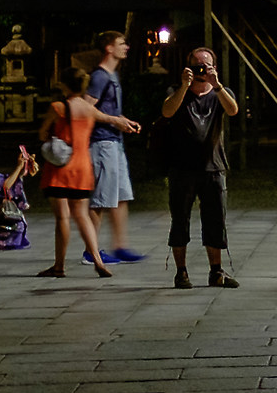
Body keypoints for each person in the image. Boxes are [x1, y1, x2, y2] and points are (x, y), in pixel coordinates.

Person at [159, 47, 242, 289]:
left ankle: (216, 271)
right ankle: (181, 272)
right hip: (182, 168)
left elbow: (233, 110)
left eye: (206, 64)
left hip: (213, 167)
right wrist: (184, 86)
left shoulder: (219, 93)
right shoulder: (176, 92)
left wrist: (216, 85)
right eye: (197, 65)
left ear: (214, 67)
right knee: (180, 220)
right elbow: (166, 112)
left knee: (216, 220)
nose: (201, 69)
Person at [35, 69, 113, 279]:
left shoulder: (58, 107)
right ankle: (97, 259)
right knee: (82, 215)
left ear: (65, 85)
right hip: (82, 167)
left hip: (60, 167)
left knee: (63, 217)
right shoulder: (88, 109)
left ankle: (59, 265)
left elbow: (43, 133)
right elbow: (107, 118)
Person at [84, 29, 146, 264]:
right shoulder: (99, 76)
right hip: (102, 143)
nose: (126, 47)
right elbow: (87, 107)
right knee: (101, 199)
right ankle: (91, 251)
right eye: (122, 43)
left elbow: (107, 110)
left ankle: (120, 246)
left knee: (120, 196)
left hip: (115, 141)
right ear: (109, 48)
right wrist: (114, 121)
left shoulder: (113, 76)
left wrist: (123, 121)